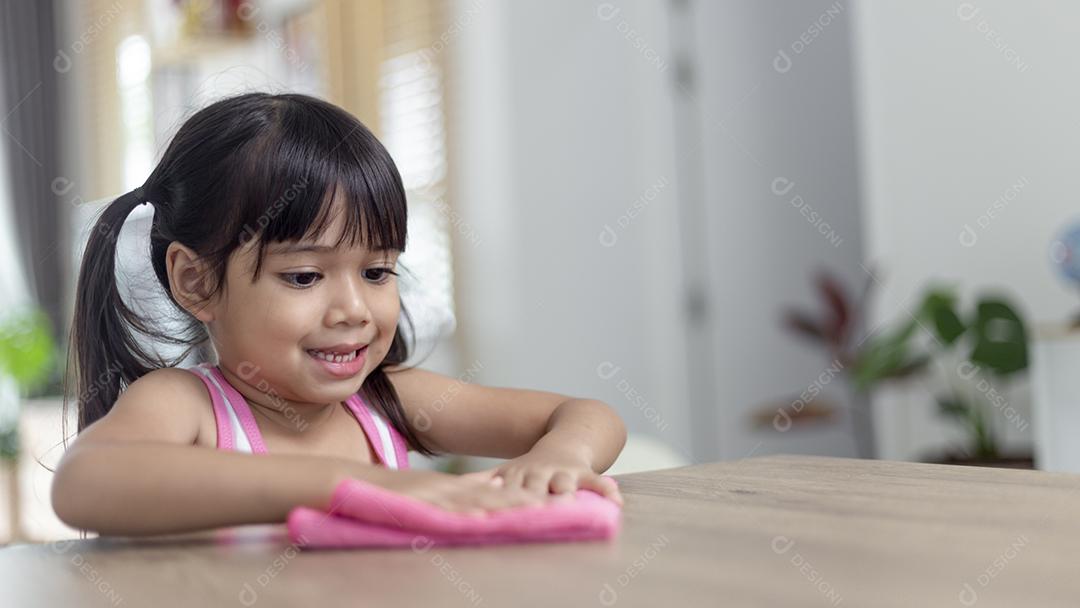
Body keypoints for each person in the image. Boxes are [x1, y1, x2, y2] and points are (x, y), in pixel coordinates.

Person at [51, 92, 626, 537]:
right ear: (196, 281)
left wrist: (562, 455)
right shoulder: (189, 406)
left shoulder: (387, 400)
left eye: (377, 272)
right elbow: (82, 483)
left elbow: (587, 414)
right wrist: (345, 485)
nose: (353, 309)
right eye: (304, 276)